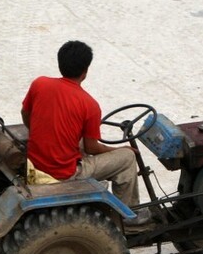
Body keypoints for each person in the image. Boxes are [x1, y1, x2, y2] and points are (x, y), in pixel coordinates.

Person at [21, 40, 151, 226]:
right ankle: (129, 215)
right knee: (127, 158)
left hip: (36, 161)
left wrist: (38, 132)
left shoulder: (39, 84)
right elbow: (92, 147)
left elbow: (25, 114)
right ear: (85, 71)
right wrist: (119, 150)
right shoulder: (89, 104)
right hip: (65, 173)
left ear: (60, 64)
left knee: (79, 141)